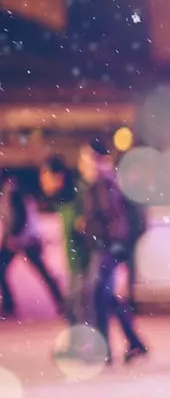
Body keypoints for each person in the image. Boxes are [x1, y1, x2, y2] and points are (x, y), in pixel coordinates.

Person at [78, 141, 148, 365]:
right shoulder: (106, 182)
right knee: (106, 299)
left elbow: (114, 219)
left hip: (105, 250)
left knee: (98, 298)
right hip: (106, 248)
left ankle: (106, 350)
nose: (82, 164)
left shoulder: (103, 184)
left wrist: (109, 246)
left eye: (85, 159)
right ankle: (133, 343)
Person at [0, 175, 65, 318]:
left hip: (21, 239)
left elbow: (17, 216)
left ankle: (9, 304)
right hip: (25, 238)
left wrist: (13, 237)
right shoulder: (13, 190)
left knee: (3, 269)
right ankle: (61, 302)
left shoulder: (11, 192)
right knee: (42, 271)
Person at [40, 157, 88, 330]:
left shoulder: (79, 196)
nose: (44, 183)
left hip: (85, 262)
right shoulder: (63, 200)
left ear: (59, 177)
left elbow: (89, 226)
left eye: (46, 178)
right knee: (76, 308)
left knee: (77, 308)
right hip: (74, 263)